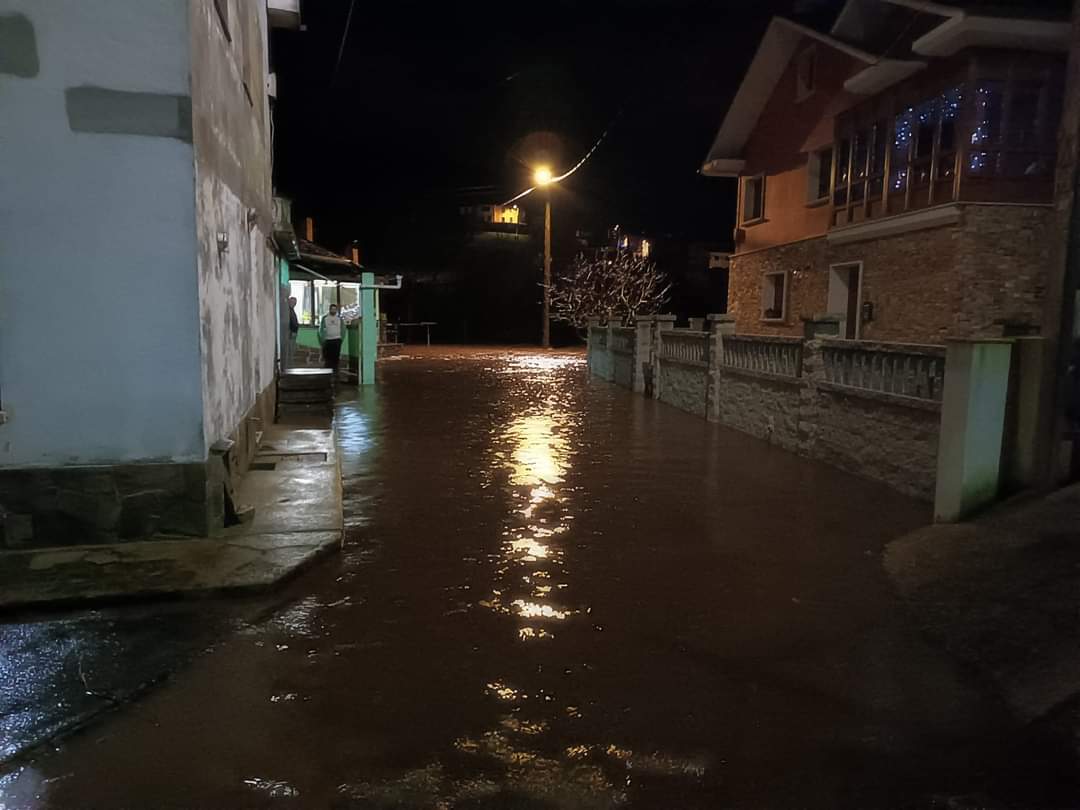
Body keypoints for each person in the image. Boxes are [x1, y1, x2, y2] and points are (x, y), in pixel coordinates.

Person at [319, 303, 344, 373]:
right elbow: (321, 330)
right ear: (330, 310)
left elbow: (343, 329)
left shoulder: (339, 319)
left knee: (335, 359)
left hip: (337, 340)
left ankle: (335, 374)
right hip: (328, 340)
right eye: (332, 309)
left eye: (335, 309)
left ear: (336, 310)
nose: (333, 311)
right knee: (328, 359)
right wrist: (323, 339)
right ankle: (327, 374)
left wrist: (341, 338)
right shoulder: (325, 318)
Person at [285, 296, 299, 369]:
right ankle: (289, 366)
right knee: (289, 351)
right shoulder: (288, 311)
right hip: (290, 333)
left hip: (293, 333)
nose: (293, 304)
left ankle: (290, 366)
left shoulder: (292, 310)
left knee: (291, 351)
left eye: (294, 302)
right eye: (292, 302)